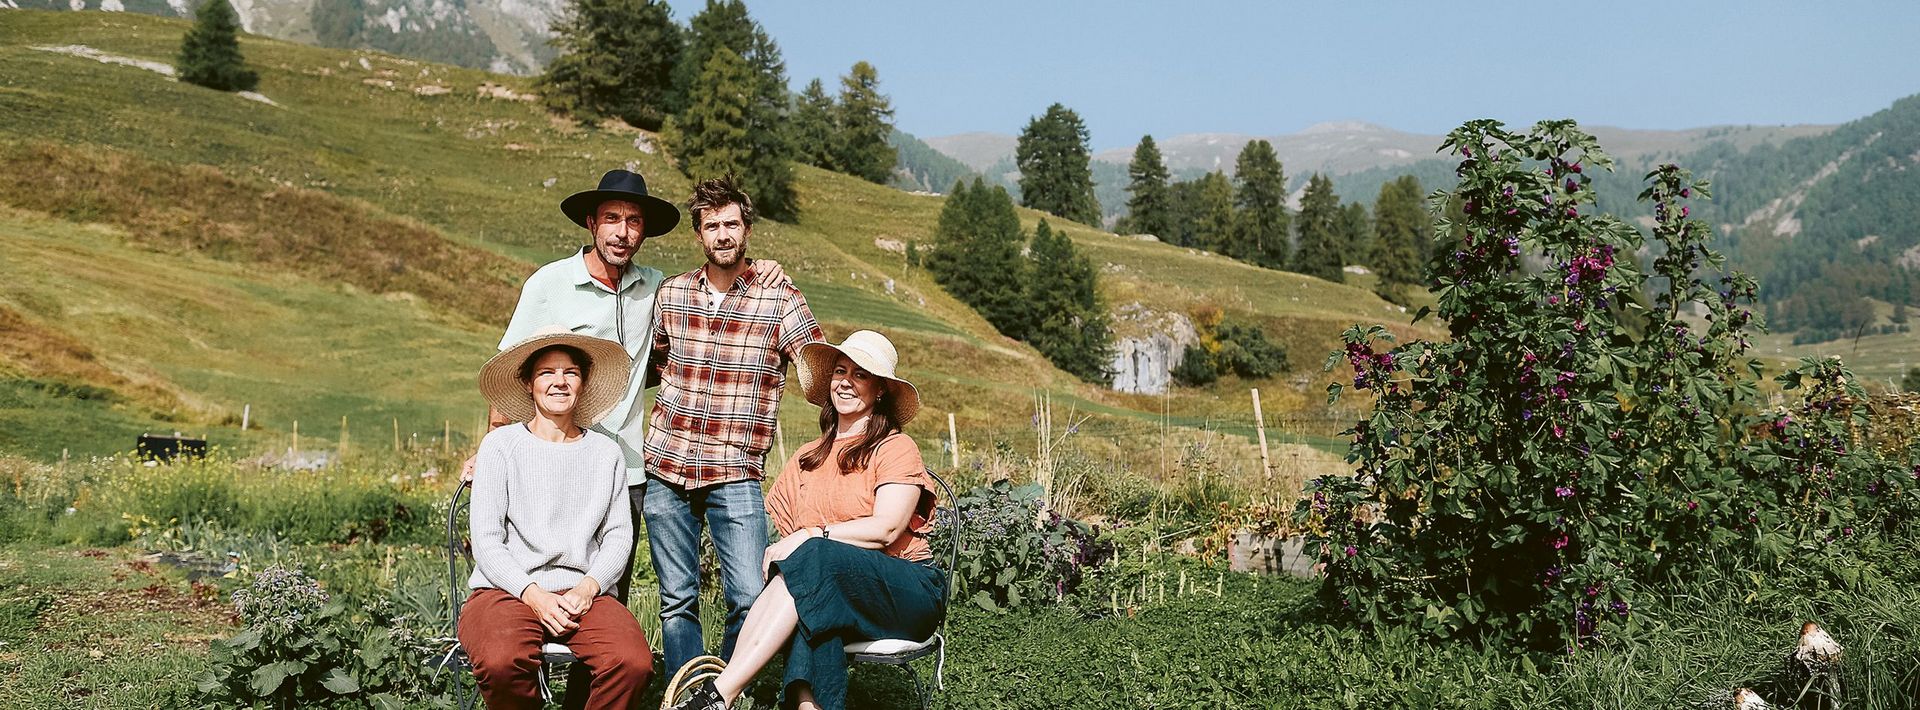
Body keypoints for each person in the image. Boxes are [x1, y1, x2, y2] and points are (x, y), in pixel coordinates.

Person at [666, 330, 944, 710]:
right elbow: (794, 550)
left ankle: (720, 693)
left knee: (812, 560)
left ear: (880, 390)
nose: (845, 382)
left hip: (904, 590)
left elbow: (887, 529)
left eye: (860, 375)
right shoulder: (807, 457)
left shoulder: (895, 447)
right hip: (835, 591)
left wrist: (816, 533)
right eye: (839, 371)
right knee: (813, 601)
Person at [642, 175, 825, 678]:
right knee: (676, 600)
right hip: (666, 467)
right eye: (711, 226)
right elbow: (654, 365)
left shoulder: (779, 297)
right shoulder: (672, 294)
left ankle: (720, 689)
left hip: (735, 471)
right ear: (699, 235)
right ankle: (684, 694)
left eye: (731, 224)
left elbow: (819, 372)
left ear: (746, 229)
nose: (722, 234)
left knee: (748, 596)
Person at [459, 328, 652, 709]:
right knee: (500, 661)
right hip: (507, 590)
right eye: (547, 372)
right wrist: (534, 595)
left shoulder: (605, 453)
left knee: (632, 664)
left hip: (582, 593)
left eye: (570, 373)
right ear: (529, 384)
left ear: (582, 383)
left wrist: (588, 588)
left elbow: (617, 537)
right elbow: (486, 540)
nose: (559, 382)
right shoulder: (501, 446)